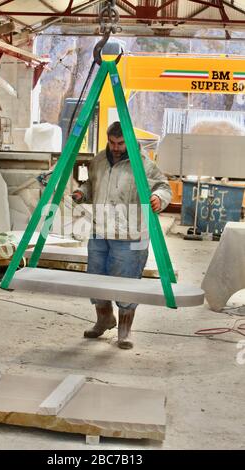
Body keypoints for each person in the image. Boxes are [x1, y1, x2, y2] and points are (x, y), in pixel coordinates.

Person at [72, 121, 171, 349]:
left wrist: (158, 198)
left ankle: (124, 332)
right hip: (100, 232)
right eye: (112, 142)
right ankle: (104, 319)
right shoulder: (98, 160)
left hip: (131, 235)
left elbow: (163, 186)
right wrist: (81, 193)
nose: (116, 147)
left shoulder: (143, 164)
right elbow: (91, 185)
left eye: (120, 143)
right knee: (96, 280)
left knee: (126, 283)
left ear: (128, 140)